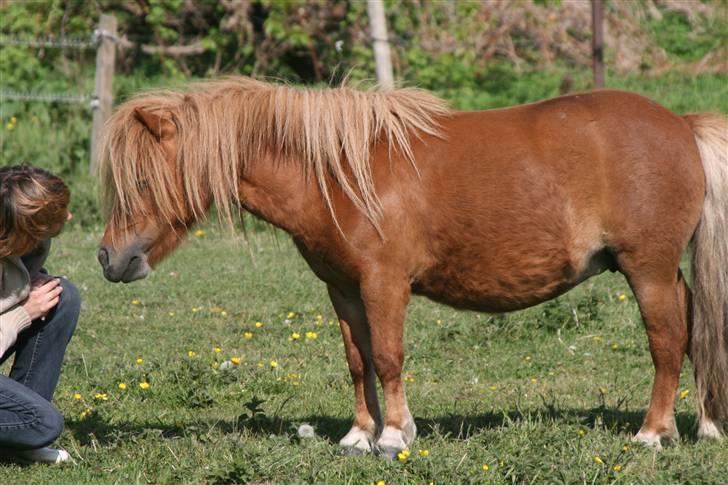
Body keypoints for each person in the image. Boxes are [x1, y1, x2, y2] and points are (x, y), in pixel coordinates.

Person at [0, 165, 80, 464]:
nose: (69, 217)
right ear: (27, 231)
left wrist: (29, 284)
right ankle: (22, 431)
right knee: (43, 423)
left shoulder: (16, 243)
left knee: (63, 297)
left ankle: (17, 440)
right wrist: (22, 313)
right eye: (60, 214)